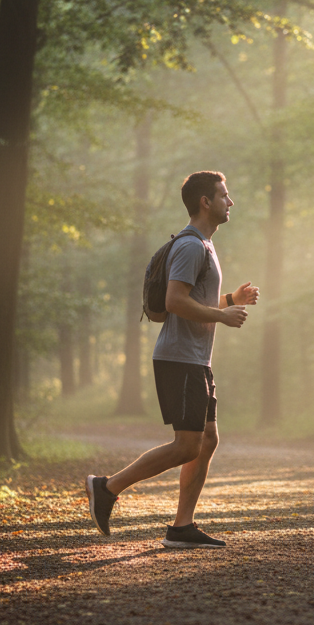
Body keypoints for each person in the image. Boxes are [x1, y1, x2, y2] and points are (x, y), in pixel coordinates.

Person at [86, 171, 259, 548]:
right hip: (179, 360)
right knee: (186, 445)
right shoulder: (192, 246)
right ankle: (106, 488)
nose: (230, 202)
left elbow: (191, 300)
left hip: (196, 359)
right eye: (224, 196)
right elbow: (174, 302)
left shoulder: (205, 247)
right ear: (205, 202)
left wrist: (230, 300)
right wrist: (223, 317)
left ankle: (182, 527)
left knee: (207, 440)